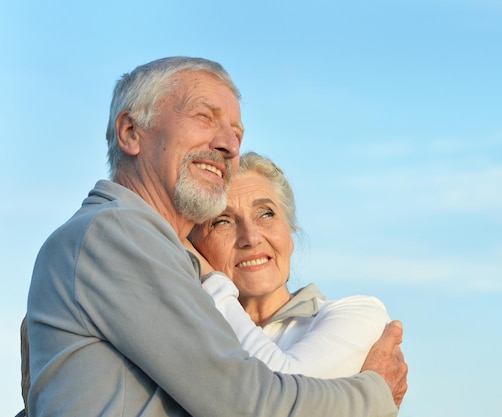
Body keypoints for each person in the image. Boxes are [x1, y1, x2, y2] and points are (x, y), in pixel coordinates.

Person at [25, 56, 408, 417]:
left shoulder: (142, 248)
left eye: (236, 132)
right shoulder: (116, 233)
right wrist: (374, 392)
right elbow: (246, 404)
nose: (229, 144)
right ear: (130, 132)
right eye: (204, 117)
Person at [187, 151, 391, 378]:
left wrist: (208, 277)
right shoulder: (186, 335)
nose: (251, 238)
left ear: (289, 231)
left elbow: (283, 390)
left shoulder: (358, 314)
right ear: (192, 244)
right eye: (222, 220)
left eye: (265, 214)